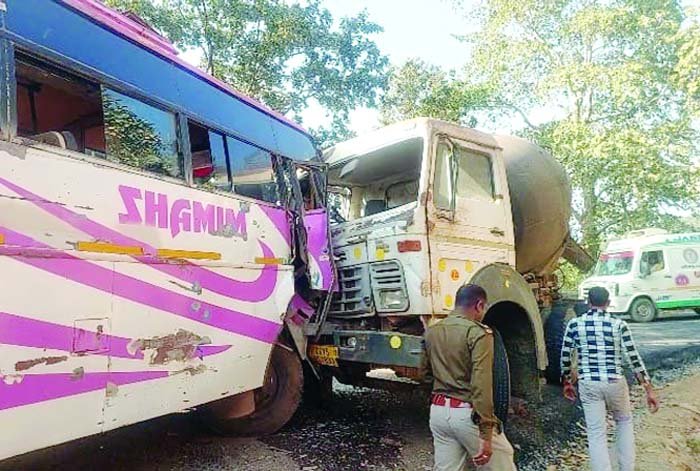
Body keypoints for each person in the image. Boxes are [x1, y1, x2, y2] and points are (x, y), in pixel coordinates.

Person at [560, 286, 659, 471]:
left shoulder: (574, 324)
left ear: (588, 302)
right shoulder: (619, 324)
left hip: (589, 383)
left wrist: (567, 381)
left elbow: (565, 356)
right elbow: (633, 358)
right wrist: (648, 389)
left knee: (596, 432)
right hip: (615, 382)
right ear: (608, 303)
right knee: (624, 422)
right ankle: (626, 468)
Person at [423, 284, 517, 470]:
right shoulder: (478, 333)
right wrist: (486, 432)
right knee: (503, 462)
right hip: (466, 415)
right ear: (479, 305)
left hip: (438, 413)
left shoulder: (432, 332)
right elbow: (481, 384)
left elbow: (425, 375)